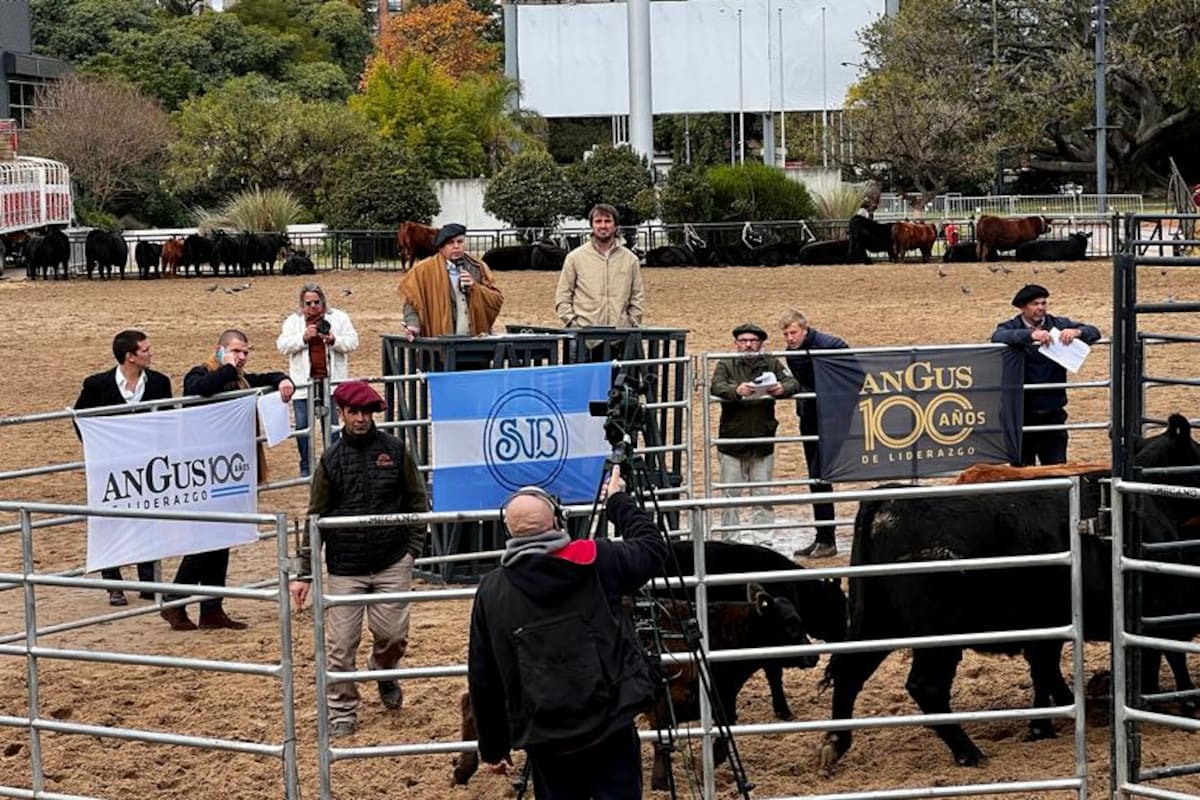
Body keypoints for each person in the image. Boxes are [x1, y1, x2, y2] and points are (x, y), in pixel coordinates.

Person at [468, 467, 666, 799]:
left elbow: (483, 676)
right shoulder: (596, 560)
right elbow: (652, 548)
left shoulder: (491, 592)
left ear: (510, 533)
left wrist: (493, 746)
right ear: (558, 521)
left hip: (546, 736)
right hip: (609, 724)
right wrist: (616, 501)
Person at [288, 380, 428, 737]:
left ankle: (383, 670)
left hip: (392, 559)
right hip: (345, 567)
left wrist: (412, 550)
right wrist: (305, 571)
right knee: (340, 643)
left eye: (366, 412)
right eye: (354, 412)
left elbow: (416, 501)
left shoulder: (395, 450)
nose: (361, 418)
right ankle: (342, 710)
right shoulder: (331, 460)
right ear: (342, 414)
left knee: (394, 635)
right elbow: (315, 517)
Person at [160, 328, 295, 632]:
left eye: (245, 352)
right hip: (204, 468)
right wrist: (227, 368)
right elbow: (200, 391)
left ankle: (211, 606)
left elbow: (270, 376)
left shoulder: (241, 379)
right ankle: (173, 598)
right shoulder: (201, 373)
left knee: (222, 538)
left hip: (232, 468)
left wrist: (283, 380)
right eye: (236, 352)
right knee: (207, 539)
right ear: (220, 351)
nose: (242, 358)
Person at [73, 329, 172, 606]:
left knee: (148, 517)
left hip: (146, 466)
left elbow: (167, 421)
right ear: (130, 356)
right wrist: (97, 448)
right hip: (110, 466)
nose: (151, 353)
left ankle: (148, 579)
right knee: (111, 521)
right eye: (145, 350)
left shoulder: (159, 383)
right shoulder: (97, 385)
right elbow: (81, 418)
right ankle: (114, 583)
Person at [991, 284, 1101, 466]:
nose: (1041, 308)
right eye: (1035, 304)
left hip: (1053, 410)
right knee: (1022, 468)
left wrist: (1077, 332)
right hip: (1022, 412)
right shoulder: (1011, 326)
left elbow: (1094, 331)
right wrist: (1030, 335)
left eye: (1043, 303)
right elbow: (999, 336)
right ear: (1023, 307)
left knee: (1056, 465)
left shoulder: (1057, 324)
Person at [709, 323, 798, 543]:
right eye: (744, 341)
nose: (748, 345)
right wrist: (735, 391)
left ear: (761, 343)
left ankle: (764, 541)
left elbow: (792, 381)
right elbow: (716, 386)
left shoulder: (771, 362)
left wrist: (781, 389)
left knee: (763, 496)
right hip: (732, 440)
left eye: (753, 341)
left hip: (762, 439)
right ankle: (731, 542)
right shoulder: (725, 363)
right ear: (736, 343)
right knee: (730, 497)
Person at [780, 310, 848, 559]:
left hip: (832, 418)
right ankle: (823, 537)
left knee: (821, 475)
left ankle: (827, 538)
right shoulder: (792, 354)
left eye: (793, 332)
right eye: (786, 334)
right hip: (810, 418)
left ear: (805, 329)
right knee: (815, 477)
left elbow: (852, 375)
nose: (789, 338)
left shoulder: (832, 345)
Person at [276, 283, 360, 477]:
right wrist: (303, 338)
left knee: (332, 427)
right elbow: (282, 345)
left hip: (331, 383)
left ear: (323, 302)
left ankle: (335, 464)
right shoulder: (292, 322)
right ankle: (306, 465)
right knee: (302, 427)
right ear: (302, 305)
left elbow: (353, 341)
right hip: (304, 384)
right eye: (308, 303)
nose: (312, 306)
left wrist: (333, 340)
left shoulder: (339, 318)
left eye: (316, 302)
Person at [398, 223, 504, 340]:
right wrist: (413, 325)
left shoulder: (478, 267)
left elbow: (496, 299)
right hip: (439, 339)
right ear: (440, 247)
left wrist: (476, 287)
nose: (456, 246)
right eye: (450, 243)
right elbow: (411, 303)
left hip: (473, 338)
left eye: (460, 242)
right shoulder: (423, 270)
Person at [554, 204, 645, 329]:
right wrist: (572, 323)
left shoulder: (630, 260)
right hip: (584, 337)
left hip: (620, 336)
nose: (603, 225)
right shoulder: (574, 258)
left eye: (608, 221)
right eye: (598, 221)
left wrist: (631, 323)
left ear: (615, 226)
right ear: (592, 225)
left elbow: (637, 296)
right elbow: (563, 295)